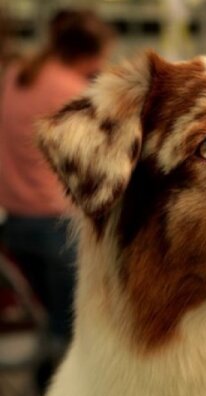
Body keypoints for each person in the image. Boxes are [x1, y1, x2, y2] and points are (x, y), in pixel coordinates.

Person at [0, 9, 114, 358]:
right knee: (77, 331)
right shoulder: (72, 91)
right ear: (92, 54)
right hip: (56, 229)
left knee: (50, 321)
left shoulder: (17, 74)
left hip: (14, 225)